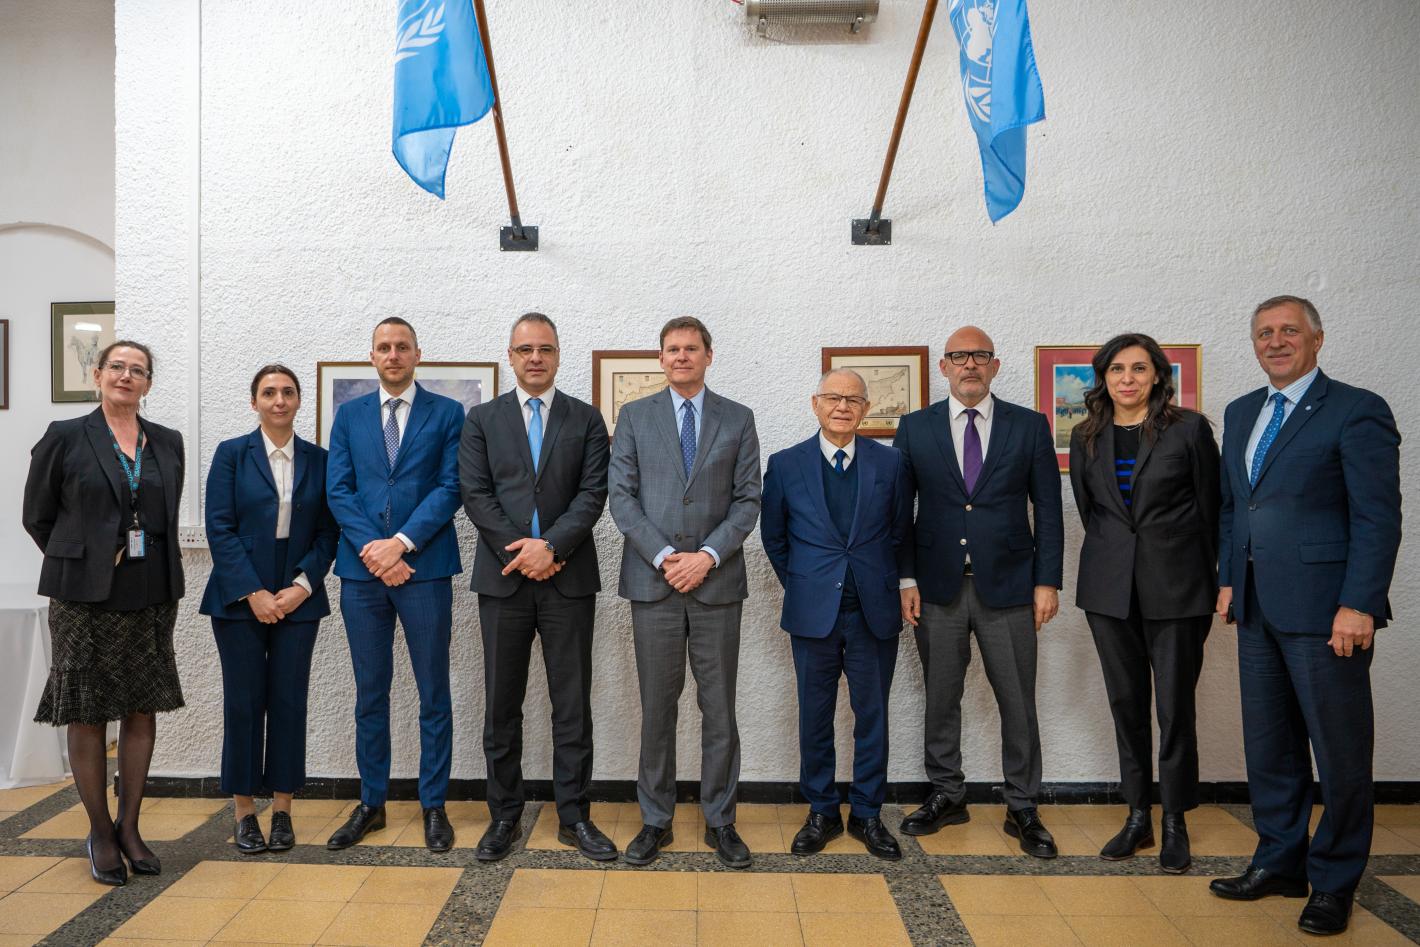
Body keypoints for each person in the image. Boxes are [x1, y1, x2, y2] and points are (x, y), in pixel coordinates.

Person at [1209, 296, 1401, 936]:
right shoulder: (1241, 412)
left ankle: (1335, 880)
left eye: (1289, 330)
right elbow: (1235, 506)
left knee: (1339, 751)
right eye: (1264, 332)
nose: (1276, 341)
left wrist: (1360, 603)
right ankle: (1279, 861)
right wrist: (1229, 579)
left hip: (1328, 613)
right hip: (1256, 606)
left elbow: (1377, 517)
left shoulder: (1356, 409)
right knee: (1270, 746)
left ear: (1317, 339)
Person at [894, 325, 1064, 858]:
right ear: (944, 367)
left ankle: (1023, 804)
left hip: (1011, 588)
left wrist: (1047, 581)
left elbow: (1049, 510)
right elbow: (899, 512)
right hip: (936, 588)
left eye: (980, 356)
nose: (970, 364)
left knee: (1018, 700)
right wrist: (905, 579)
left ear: (995, 366)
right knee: (941, 697)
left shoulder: (1029, 426)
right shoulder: (915, 427)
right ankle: (947, 792)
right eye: (959, 356)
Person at [23, 340, 185, 886]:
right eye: (117, 366)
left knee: (140, 709)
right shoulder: (65, 435)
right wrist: (85, 559)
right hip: (82, 598)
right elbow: (37, 516)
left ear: (148, 383)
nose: (126, 376)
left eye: (138, 370)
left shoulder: (168, 441)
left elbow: (161, 517)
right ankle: (99, 832)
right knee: (88, 710)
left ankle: (130, 827)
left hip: (150, 592)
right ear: (98, 375)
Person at [458, 313, 613, 863]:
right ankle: (504, 816)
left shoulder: (586, 419)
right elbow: (476, 494)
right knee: (502, 705)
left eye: (545, 348)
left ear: (558, 354)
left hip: (568, 580)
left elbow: (593, 494)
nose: (535, 358)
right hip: (503, 582)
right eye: (525, 349)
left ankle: (575, 816)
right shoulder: (481, 420)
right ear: (511, 355)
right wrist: (523, 552)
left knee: (572, 705)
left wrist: (552, 547)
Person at [608, 316, 762, 869]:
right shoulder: (634, 417)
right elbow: (622, 498)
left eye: (691, 348)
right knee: (657, 708)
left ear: (708, 356)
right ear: (661, 358)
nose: (681, 356)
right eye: (672, 349)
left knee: (719, 709)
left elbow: (748, 500)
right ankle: (655, 820)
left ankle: (721, 821)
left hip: (717, 584)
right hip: (655, 584)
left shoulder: (738, 418)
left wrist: (707, 557)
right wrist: (667, 557)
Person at [1068, 333, 1220, 873]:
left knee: (1174, 708)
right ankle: (1138, 815)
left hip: (1178, 588)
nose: (1127, 378)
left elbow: (1212, 510)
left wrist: (1213, 579)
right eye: (1116, 369)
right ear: (1103, 378)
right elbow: (1093, 513)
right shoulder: (1086, 434)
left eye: (1138, 368)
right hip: (1109, 590)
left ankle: (1176, 819)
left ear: (1157, 375)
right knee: (1126, 704)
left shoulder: (1189, 429)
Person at [324, 317, 465, 852]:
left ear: (417, 354)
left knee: (434, 692)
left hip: (424, 569)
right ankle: (371, 803)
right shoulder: (349, 416)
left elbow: (451, 487)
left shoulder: (447, 413)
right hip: (362, 574)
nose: (393, 354)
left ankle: (434, 805)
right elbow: (339, 491)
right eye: (384, 347)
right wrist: (377, 552)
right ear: (372, 356)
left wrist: (401, 544)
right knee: (370, 693)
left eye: (402, 346)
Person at [760, 369, 912, 861]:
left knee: (873, 716)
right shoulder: (785, 464)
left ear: (865, 409)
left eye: (853, 399)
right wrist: (807, 584)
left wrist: (890, 582)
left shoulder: (891, 463)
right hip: (813, 613)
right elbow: (774, 538)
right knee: (814, 715)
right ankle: (822, 811)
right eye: (833, 398)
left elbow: (899, 533)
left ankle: (867, 813)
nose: (842, 406)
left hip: (873, 610)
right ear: (815, 404)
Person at [200, 365, 339, 854]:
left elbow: (329, 533)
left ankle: (282, 809)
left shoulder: (320, 460)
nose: (279, 400)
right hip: (239, 597)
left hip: (298, 596)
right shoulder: (232, 454)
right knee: (243, 703)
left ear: (299, 400)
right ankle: (244, 811)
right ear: (254, 401)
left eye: (287, 392)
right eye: (268, 392)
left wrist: (302, 586)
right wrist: (253, 592)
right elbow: (219, 526)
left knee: (288, 702)